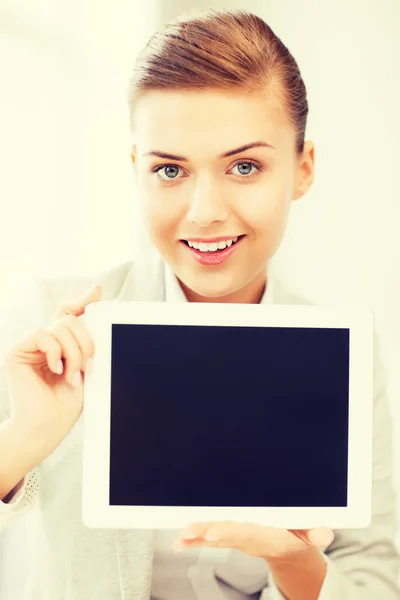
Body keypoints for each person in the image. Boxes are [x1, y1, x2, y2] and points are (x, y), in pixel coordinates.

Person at [0, 8, 399, 600]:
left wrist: (296, 565)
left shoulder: (344, 356)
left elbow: (375, 575)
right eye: (169, 169)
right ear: (136, 172)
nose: (204, 211)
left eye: (244, 166)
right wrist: (24, 439)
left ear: (302, 169)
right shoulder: (52, 328)